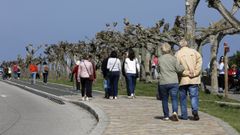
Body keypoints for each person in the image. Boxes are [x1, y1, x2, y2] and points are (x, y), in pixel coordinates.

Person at [175, 39, 202, 121]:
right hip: (194, 78)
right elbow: (199, 61)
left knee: (183, 98)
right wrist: (195, 72)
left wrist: (186, 73)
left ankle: (184, 115)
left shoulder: (177, 54)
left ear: (180, 45)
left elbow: (177, 68)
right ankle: (195, 110)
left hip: (183, 79)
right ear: (187, 44)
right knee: (194, 96)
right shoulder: (194, 52)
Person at [158, 43, 184, 121]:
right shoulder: (173, 58)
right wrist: (182, 66)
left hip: (163, 81)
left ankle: (166, 115)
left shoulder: (160, 59)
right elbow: (179, 69)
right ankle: (175, 112)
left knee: (165, 99)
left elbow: (158, 70)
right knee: (174, 98)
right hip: (173, 81)